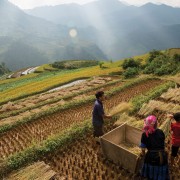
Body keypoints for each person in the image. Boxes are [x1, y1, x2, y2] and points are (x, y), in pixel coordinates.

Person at [140, 115, 169, 180]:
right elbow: (162, 142)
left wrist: (143, 154)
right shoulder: (160, 131)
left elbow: (143, 148)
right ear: (156, 124)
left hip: (151, 156)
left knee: (151, 172)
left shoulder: (144, 134)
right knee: (160, 171)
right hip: (162, 156)